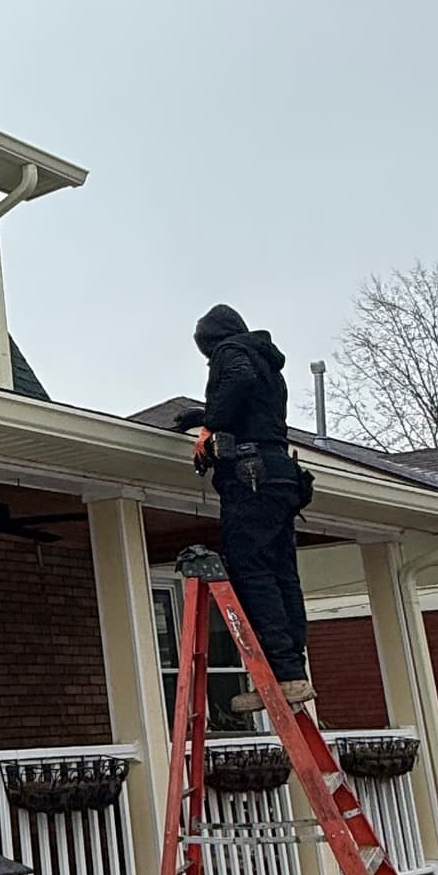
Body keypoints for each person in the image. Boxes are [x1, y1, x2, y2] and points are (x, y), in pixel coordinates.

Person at [169, 304, 315, 712]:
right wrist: (205, 415)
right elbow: (254, 408)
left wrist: (210, 426)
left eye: (206, 353)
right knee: (282, 572)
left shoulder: (233, 353)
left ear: (213, 342)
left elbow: (237, 379)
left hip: (252, 476)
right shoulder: (267, 362)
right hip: (280, 474)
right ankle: (292, 673)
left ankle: (281, 674)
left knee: (251, 569)